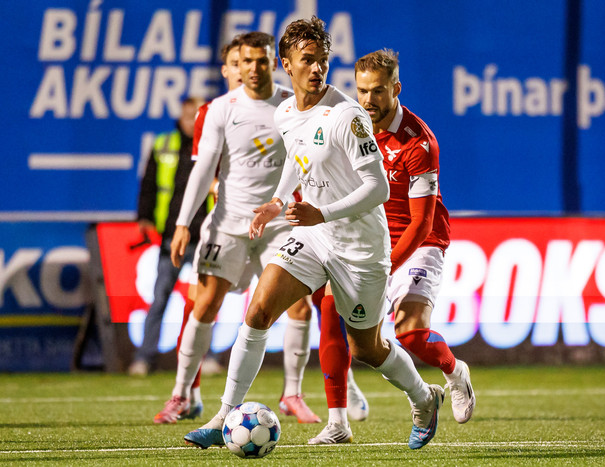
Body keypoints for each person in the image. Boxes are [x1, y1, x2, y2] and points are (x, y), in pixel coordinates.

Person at [183, 16, 444, 451]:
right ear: (286, 64)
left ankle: (423, 397)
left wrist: (319, 212)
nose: (317, 68)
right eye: (307, 60)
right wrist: (278, 200)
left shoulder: (347, 115)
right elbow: (297, 156)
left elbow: (378, 188)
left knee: (367, 349)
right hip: (314, 236)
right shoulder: (286, 112)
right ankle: (224, 414)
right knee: (259, 310)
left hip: (360, 247)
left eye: (322, 59)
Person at [153, 32, 321, 425]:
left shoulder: (292, 104)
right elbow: (203, 169)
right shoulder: (220, 109)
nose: (254, 68)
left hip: (278, 226)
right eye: (246, 61)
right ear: (237, 65)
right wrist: (183, 223)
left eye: (261, 60)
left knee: (300, 305)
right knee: (205, 304)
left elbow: (309, 159)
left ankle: (292, 394)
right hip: (228, 225)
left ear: (273, 63)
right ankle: (182, 394)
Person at [311, 49, 477, 444]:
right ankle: (338, 423)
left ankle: (455, 372)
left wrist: (387, 265)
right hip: (367, 239)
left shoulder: (418, 142)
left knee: (410, 333)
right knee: (333, 314)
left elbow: (421, 222)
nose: (368, 100)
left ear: (396, 89)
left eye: (378, 91)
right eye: (362, 91)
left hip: (418, 244)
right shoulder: (348, 125)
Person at [129, 95, 208, 377]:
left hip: (204, 235)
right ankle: (144, 357)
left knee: (205, 301)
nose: (192, 122)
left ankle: (205, 358)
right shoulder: (165, 143)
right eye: (189, 116)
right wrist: (144, 217)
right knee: (160, 296)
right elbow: (149, 183)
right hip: (172, 235)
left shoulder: (213, 143)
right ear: (181, 116)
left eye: (197, 117)